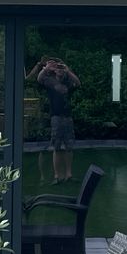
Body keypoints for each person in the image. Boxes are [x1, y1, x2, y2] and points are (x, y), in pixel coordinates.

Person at [28, 56, 79, 184]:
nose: (59, 70)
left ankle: (68, 174)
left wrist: (67, 70)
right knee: (56, 146)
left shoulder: (68, 82)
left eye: (60, 67)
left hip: (68, 116)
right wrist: (46, 69)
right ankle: (57, 176)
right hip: (55, 116)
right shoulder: (50, 82)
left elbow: (78, 83)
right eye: (57, 68)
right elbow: (39, 79)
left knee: (69, 146)